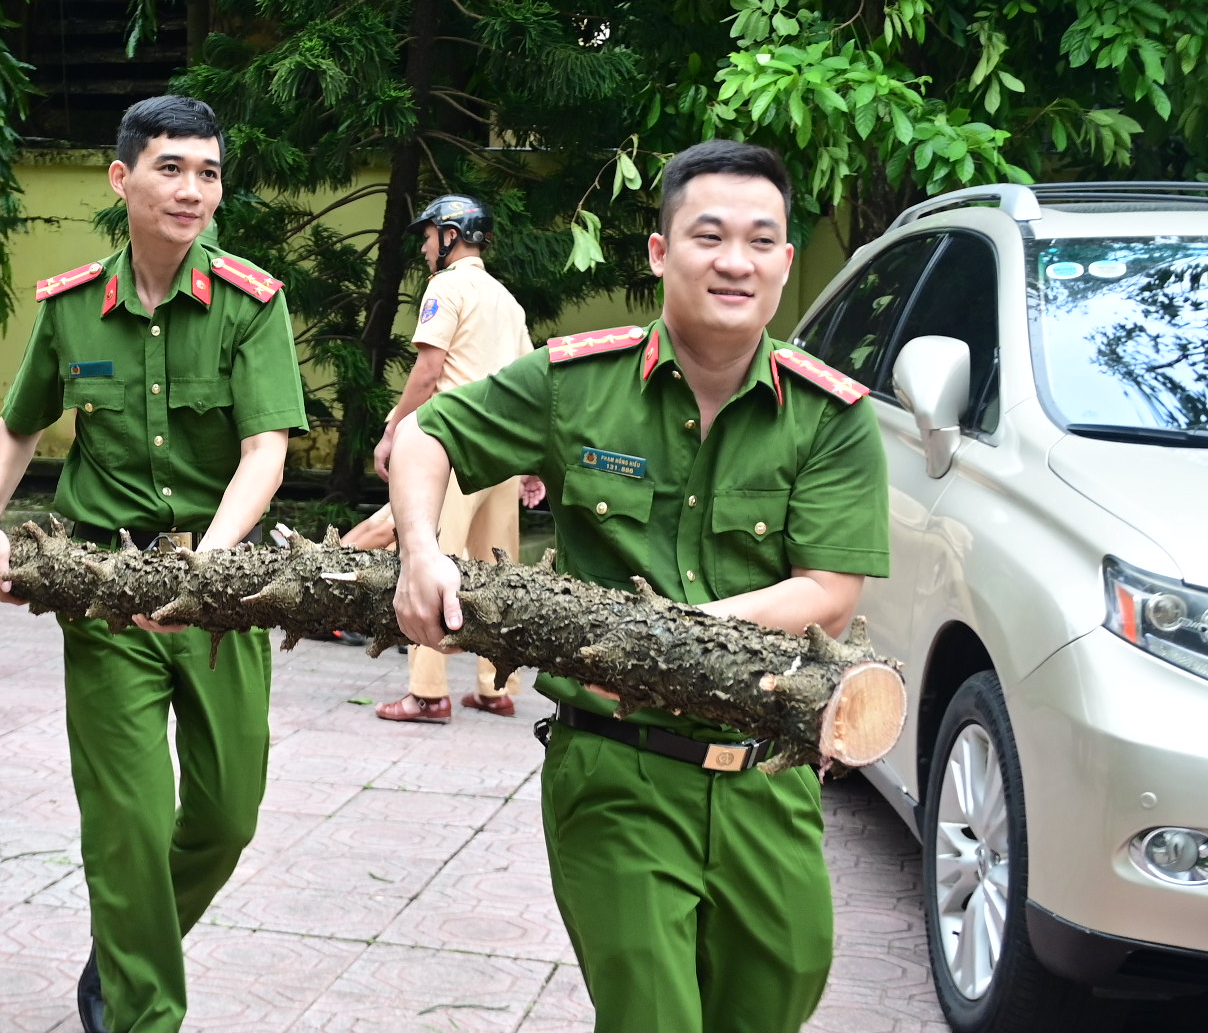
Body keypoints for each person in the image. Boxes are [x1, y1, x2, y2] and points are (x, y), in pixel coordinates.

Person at [389, 140, 889, 1033]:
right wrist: (423, 550)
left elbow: (828, 590)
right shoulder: (578, 380)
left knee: (777, 997)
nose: (734, 261)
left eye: (761, 240)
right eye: (708, 235)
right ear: (661, 253)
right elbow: (428, 436)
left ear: (783, 261)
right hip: (615, 767)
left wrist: (680, 636)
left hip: (763, 775)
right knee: (651, 1016)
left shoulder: (832, 418)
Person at [0, 96, 307, 1033]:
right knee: (126, 819)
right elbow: (19, 425)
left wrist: (207, 566)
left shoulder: (250, 303)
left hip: (219, 593)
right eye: (171, 168)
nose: (192, 189)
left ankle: (124, 945)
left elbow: (265, 451)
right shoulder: (74, 307)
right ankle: (138, 1009)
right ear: (122, 179)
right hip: (105, 593)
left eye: (208, 172)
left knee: (227, 816)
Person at [370, 194, 544, 723]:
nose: (424, 248)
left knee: (430, 558)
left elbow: (428, 372)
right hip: (503, 454)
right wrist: (533, 462)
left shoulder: (446, 287)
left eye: (428, 237)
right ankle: (496, 687)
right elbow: (530, 383)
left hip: (451, 448)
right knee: (498, 568)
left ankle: (427, 694)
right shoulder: (506, 300)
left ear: (450, 235)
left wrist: (393, 430)